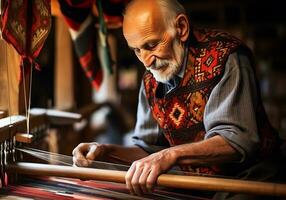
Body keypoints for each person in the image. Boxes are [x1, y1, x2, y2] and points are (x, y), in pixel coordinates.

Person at [72, 0, 284, 198]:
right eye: (137, 50)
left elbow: (236, 141)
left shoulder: (225, 57)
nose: (146, 61)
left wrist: (169, 156)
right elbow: (148, 150)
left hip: (251, 180)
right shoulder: (151, 81)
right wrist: (105, 152)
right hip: (196, 185)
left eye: (152, 45)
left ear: (181, 28)